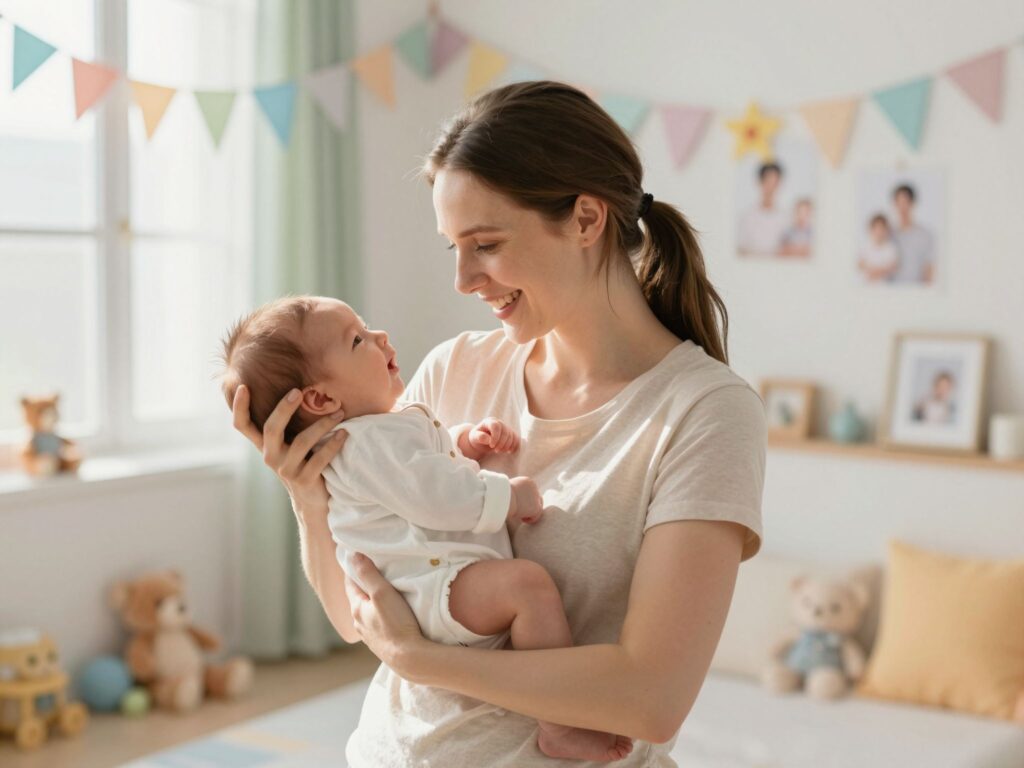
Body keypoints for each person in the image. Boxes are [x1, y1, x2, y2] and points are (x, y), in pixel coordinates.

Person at [231, 80, 766, 767]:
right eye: (452, 246)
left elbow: (651, 698)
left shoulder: (703, 412)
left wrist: (420, 659)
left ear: (585, 220)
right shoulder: (454, 370)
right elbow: (356, 615)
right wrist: (310, 497)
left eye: (483, 243)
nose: (462, 278)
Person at [218, 295, 632, 761]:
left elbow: (423, 463)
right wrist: (508, 496)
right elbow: (433, 494)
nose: (380, 337)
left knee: (524, 590)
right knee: (527, 587)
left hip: (436, 587)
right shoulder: (364, 443)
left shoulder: (383, 430)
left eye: (367, 325)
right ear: (321, 398)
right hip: (431, 589)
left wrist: (465, 442)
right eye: (357, 340)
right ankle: (558, 723)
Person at [737, 161, 787, 256]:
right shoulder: (747, 216)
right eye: (768, 181)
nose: (772, 187)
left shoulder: (786, 218)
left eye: (775, 182)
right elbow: (741, 250)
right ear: (760, 182)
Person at [889, 183, 935, 284]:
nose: (902, 208)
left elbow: (929, 269)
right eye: (898, 203)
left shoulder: (925, 235)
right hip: (891, 294)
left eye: (905, 202)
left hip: (916, 293)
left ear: (913, 203)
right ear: (894, 204)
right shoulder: (888, 235)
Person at [857, 213, 899, 282]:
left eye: (882, 228)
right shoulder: (865, 246)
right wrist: (871, 271)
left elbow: (893, 267)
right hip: (867, 285)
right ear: (871, 229)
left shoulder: (891, 248)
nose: (879, 232)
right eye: (876, 228)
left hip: (885, 287)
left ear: (887, 230)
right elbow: (859, 264)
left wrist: (877, 272)